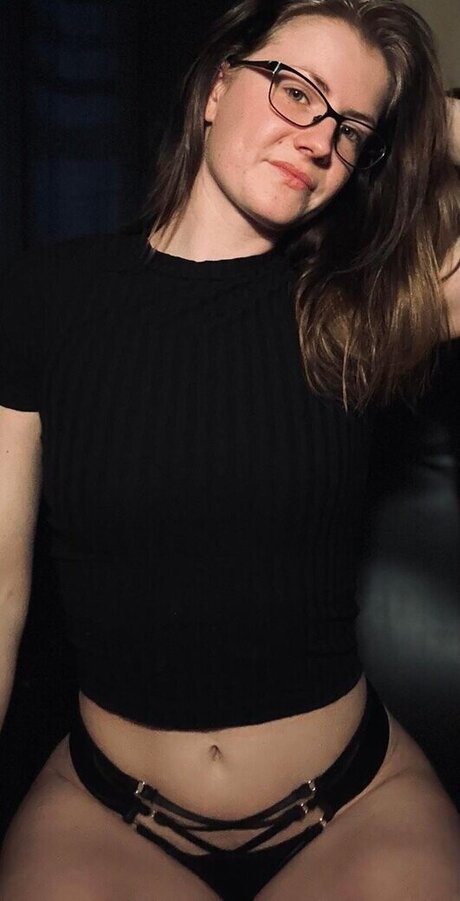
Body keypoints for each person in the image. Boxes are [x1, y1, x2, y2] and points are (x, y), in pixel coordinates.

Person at [0, 0, 459, 898]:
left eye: (350, 128)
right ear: (215, 89)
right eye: (297, 90)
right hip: (105, 819)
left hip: (357, 812)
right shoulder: (45, 297)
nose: (318, 138)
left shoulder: (357, 307)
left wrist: (417, 124)